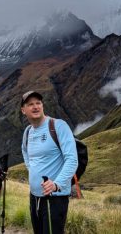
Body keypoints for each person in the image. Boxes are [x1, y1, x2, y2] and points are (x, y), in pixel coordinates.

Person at [21, 91, 78, 234]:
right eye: (30, 104)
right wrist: (33, 171)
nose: (35, 107)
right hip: (34, 197)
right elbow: (26, 154)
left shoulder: (58, 126)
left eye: (38, 103)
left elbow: (72, 159)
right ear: (23, 110)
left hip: (54, 199)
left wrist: (56, 184)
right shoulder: (28, 132)